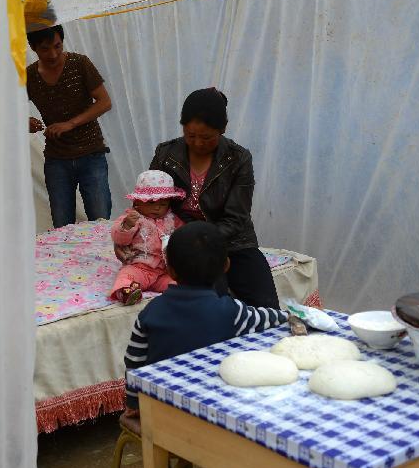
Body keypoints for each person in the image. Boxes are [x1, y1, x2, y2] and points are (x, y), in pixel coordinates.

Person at [123, 221, 289, 415]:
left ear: (170, 269)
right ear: (226, 265)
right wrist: (292, 316)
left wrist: (134, 404)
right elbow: (270, 318)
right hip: (213, 414)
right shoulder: (231, 312)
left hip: (160, 414)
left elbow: (133, 362)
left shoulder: (150, 312)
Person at [149, 87, 280, 310]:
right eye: (190, 135)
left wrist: (203, 240)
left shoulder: (238, 158)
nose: (198, 143)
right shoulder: (166, 154)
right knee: (211, 303)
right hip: (182, 239)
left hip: (234, 242)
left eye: (207, 137)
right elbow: (150, 199)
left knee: (266, 303)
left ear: (222, 129)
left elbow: (236, 218)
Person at [26, 24, 113, 228]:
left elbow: (104, 102)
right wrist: (26, 122)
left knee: (100, 221)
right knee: (62, 224)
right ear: (33, 48)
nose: (54, 54)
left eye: (58, 46)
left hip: (91, 153)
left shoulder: (79, 63)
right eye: (45, 49)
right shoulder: (29, 75)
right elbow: (10, 111)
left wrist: (70, 124)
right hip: (57, 159)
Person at [110, 170, 185, 306]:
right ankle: (126, 292)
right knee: (126, 275)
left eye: (163, 204)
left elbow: (184, 236)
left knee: (180, 283)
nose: (157, 207)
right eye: (151, 203)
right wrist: (126, 226)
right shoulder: (134, 218)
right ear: (138, 201)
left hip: (165, 271)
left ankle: (182, 294)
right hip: (140, 267)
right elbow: (119, 239)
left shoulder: (173, 219)